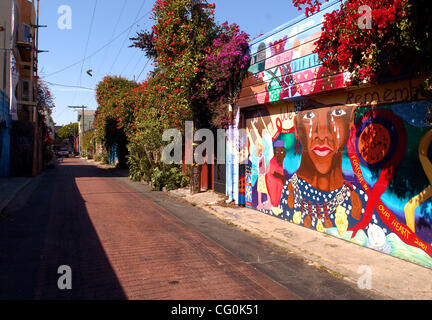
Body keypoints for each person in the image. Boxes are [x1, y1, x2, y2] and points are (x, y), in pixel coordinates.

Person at [280, 104, 363, 234]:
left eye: (338, 112)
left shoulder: (358, 200)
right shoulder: (288, 192)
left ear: (351, 119)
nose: (323, 134)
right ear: (297, 126)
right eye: (309, 116)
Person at [265, 140, 287, 215]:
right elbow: (273, 172)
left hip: (279, 180)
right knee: (274, 192)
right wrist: (282, 177)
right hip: (272, 179)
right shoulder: (273, 161)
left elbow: (280, 169)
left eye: (282, 152)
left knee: (279, 192)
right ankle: (274, 206)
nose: (280, 154)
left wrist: (283, 175)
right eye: (278, 152)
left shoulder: (280, 160)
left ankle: (276, 206)